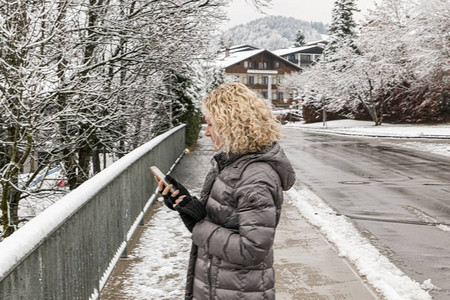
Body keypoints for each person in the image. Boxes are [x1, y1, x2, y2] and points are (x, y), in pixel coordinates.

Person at [157, 82, 295, 300]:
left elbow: (252, 250)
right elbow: (224, 219)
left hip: (238, 291)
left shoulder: (256, 178)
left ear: (231, 125)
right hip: (221, 285)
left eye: (211, 124)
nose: (206, 133)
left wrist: (199, 225)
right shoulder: (231, 163)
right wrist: (186, 206)